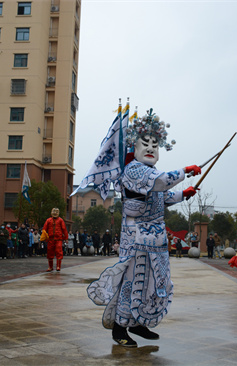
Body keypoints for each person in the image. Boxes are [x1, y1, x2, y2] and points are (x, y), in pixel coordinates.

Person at [86, 108, 200, 347]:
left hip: (155, 240)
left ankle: (137, 323)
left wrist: (183, 194)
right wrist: (185, 171)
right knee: (131, 282)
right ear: (134, 149)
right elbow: (159, 183)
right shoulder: (134, 170)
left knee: (151, 282)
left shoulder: (151, 173)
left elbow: (163, 195)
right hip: (135, 237)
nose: (150, 148)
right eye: (144, 144)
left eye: (154, 145)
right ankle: (119, 328)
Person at [41, 207, 68, 272]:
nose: (55, 213)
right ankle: (50, 267)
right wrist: (44, 237)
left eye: (56, 212)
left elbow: (64, 229)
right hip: (50, 239)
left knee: (59, 252)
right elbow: (44, 229)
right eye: (54, 211)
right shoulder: (48, 220)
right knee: (50, 252)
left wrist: (66, 238)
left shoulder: (60, 220)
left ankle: (58, 266)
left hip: (58, 239)